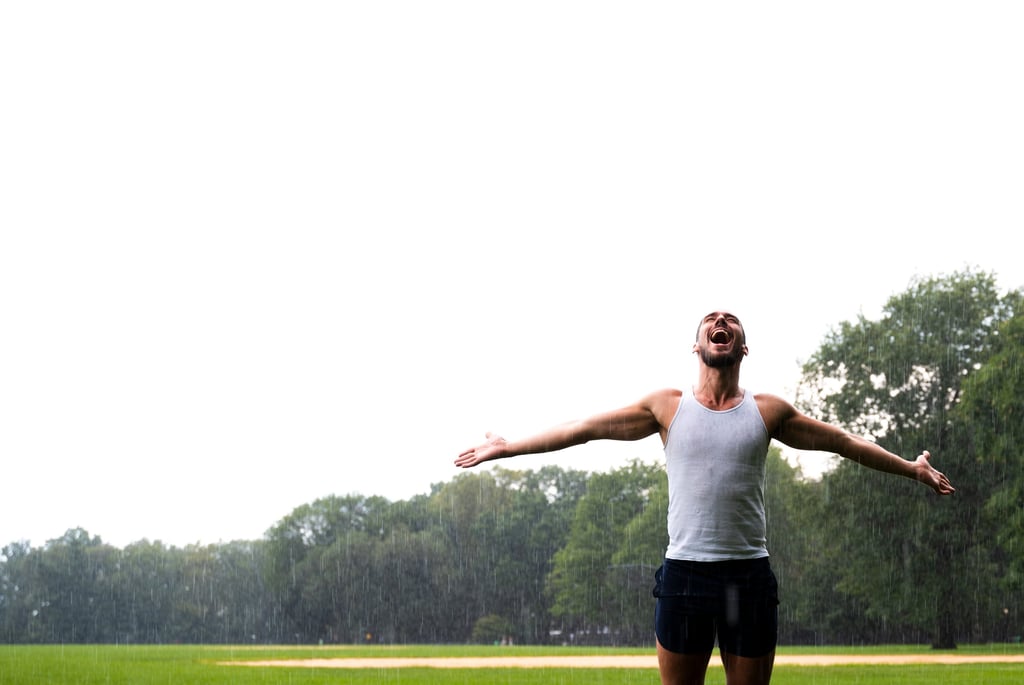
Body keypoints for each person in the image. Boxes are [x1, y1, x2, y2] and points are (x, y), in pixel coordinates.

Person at [455, 310, 955, 685]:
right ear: (696, 346)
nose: (721, 322)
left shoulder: (769, 411)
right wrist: (508, 447)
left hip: (746, 578)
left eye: (730, 321)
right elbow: (581, 429)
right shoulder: (666, 407)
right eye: (711, 321)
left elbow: (845, 444)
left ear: (742, 348)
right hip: (685, 577)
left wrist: (911, 469)